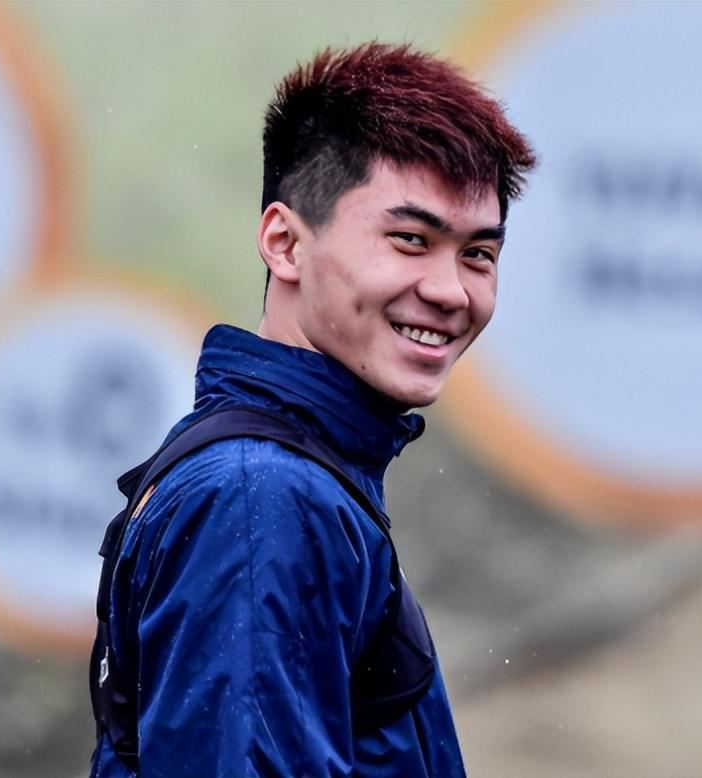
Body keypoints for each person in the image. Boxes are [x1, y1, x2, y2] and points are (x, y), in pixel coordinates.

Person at [89, 42, 535, 777]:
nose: (452, 291)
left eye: (478, 255)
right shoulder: (259, 495)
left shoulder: (292, 474)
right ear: (285, 243)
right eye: (411, 240)